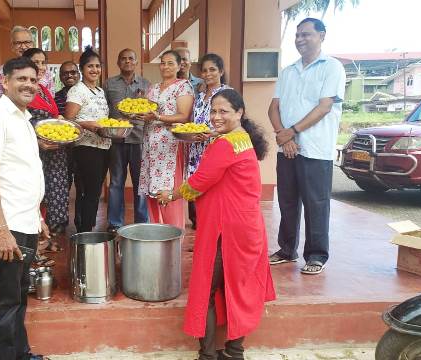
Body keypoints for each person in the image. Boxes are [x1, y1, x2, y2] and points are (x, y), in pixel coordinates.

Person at [157, 89, 276, 360]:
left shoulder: (224, 145)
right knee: (240, 288)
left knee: (207, 291)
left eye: (224, 111)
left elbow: (199, 182)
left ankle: (208, 355)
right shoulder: (241, 138)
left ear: (239, 113)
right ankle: (234, 353)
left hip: (227, 232)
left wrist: (170, 195)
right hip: (247, 228)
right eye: (213, 111)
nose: (216, 116)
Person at [0, 56, 49, 360]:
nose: (29, 85)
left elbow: (22, 174)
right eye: (21, 79)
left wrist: (38, 218)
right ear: (4, 82)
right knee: (3, 301)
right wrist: (1, 230)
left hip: (24, 220)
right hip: (8, 225)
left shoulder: (24, 118)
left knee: (18, 295)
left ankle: (21, 354)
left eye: (33, 80)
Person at [268, 18, 345, 275]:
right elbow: (274, 107)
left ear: (322, 35)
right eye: (297, 35)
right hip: (287, 148)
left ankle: (316, 255)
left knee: (316, 203)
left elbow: (324, 106)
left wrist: (293, 132)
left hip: (315, 149)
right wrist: (285, 136)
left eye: (306, 34)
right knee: (287, 201)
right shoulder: (288, 71)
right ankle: (287, 249)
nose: (300, 39)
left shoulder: (331, 67)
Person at [137, 50, 194, 230]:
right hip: (150, 145)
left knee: (168, 192)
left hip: (170, 145)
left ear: (179, 66)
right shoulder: (153, 88)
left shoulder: (183, 86)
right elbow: (147, 111)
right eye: (163, 63)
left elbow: (184, 116)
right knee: (152, 193)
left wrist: (157, 117)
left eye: (171, 63)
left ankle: (174, 237)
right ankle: (156, 234)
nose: (166, 66)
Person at [22, 47, 68, 250]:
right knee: (35, 193)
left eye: (43, 62)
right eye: (35, 62)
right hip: (35, 149)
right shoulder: (24, 90)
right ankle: (35, 242)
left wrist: (60, 121)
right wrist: (38, 141)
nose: (40, 67)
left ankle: (46, 236)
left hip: (54, 151)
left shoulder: (44, 90)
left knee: (50, 192)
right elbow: (22, 122)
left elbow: (54, 117)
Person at [64, 46, 110, 233]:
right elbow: (69, 120)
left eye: (98, 66)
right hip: (86, 146)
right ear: (82, 69)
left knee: (95, 190)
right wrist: (89, 125)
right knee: (89, 191)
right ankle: (84, 230)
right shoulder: (77, 90)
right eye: (90, 66)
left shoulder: (99, 90)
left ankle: (87, 226)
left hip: (104, 145)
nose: (94, 70)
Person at [104, 48, 150, 233]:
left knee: (140, 183)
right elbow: (104, 110)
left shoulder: (146, 84)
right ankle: (115, 223)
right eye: (123, 59)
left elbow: (150, 111)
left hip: (139, 138)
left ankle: (142, 222)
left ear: (136, 61)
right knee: (116, 182)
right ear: (118, 62)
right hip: (117, 140)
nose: (127, 62)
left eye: (131, 58)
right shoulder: (109, 84)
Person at [187, 53, 230, 229]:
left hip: (216, 149)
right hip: (196, 151)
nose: (208, 73)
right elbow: (194, 122)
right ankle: (201, 232)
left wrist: (210, 134)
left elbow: (232, 123)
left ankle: (214, 233)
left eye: (212, 69)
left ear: (221, 71)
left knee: (214, 194)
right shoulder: (199, 95)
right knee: (196, 190)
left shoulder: (227, 94)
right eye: (204, 70)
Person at [0, 26, 55, 99]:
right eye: (18, 43)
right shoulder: (1, 71)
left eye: (27, 42)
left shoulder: (44, 70)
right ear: (12, 46)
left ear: (32, 44)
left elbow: (51, 97)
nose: (23, 46)